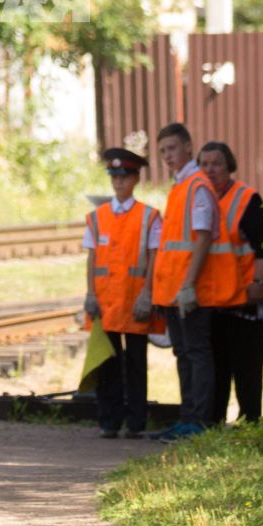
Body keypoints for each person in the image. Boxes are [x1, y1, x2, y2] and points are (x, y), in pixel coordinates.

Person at [133, 121, 218, 441]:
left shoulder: (196, 186)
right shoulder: (182, 187)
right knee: (185, 354)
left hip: (188, 290)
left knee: (196, 353)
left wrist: (188, 285)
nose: (167, 156)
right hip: (175, 290)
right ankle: (188, 418)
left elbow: (202, 237)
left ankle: (197, 421)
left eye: (171, 149)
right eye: (162, 151)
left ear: (187, 147)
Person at [82, 148, 165, 439]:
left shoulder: (149, 217)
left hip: (134, 303)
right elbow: (92, 258)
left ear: (136, 179)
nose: (118, 182)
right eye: (114, 176)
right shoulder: (97, 217)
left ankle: (135, 422)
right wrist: (90, 293)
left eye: (124, 176)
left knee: (136, 364)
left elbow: (155, 258)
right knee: (108, 363)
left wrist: (148, 294)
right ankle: (109, 421)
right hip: (105, 303)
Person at [196, 141, 263, 424]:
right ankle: (215, 423)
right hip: (215, 301)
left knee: (248, 368)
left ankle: (249, 423)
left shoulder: (246, 198)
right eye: (203, 164)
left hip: (248, 299)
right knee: (218, 367)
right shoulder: (199, 198)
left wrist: (257, 282)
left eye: (216, 163)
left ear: (229, 165)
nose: (210, 169)